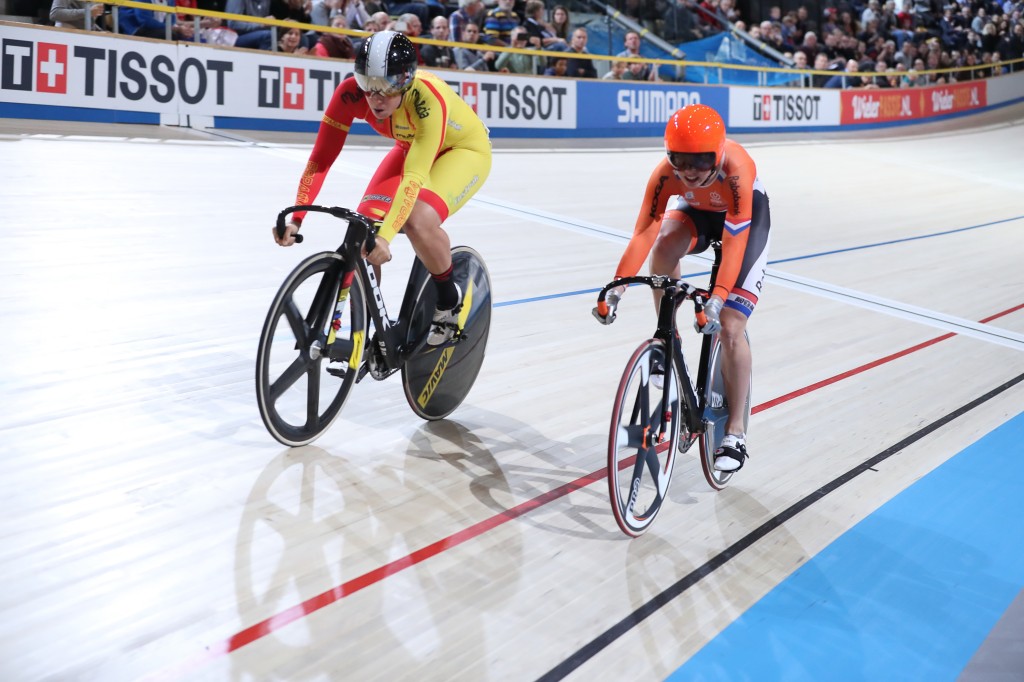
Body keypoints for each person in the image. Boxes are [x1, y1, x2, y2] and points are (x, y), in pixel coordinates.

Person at [274, 31, 492, 346]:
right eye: (368, 85)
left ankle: (449, 298)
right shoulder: (349, 94)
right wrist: (297, 218)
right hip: (412, 145)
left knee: (417, 220)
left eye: (387, 88)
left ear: (405, 81)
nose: (376, 98)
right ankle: (369, 326)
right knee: (364, 230)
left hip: (462, 151)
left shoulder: (426, 99)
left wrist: (387, 238)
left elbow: (414, 177)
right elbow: (320, 160)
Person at [595, 104, 771, 473]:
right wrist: (617, 287)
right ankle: (668, 335)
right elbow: (644, 230)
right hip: (698, 214)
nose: (689, 172)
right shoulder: (665, 175)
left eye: (701, 161)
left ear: (718, 154)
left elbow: (735, 243)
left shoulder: (737, 170)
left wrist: (719, 299)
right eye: (680, 161)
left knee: (730, 326)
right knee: (662, 248)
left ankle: (735, 432)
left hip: (744, 224)